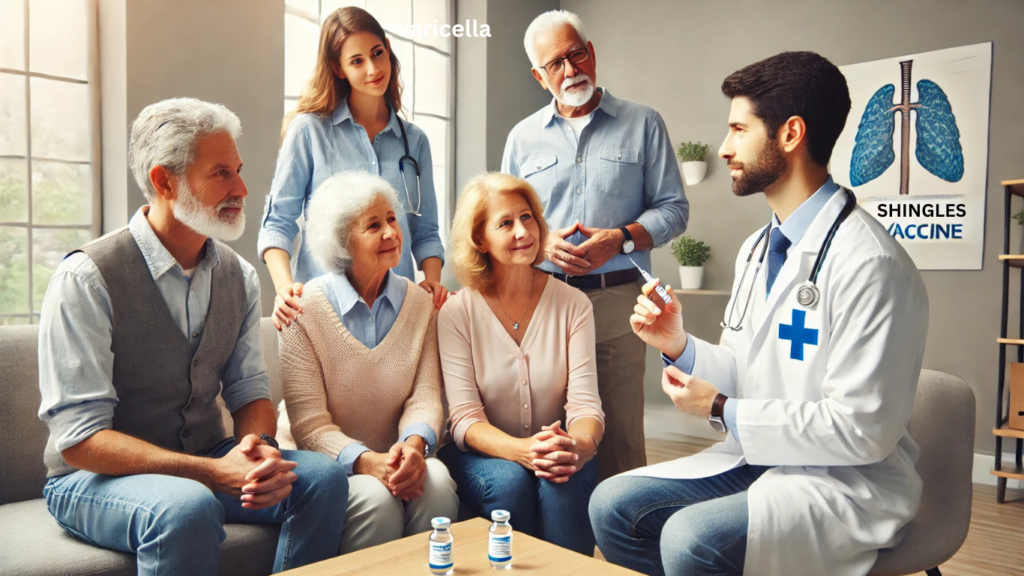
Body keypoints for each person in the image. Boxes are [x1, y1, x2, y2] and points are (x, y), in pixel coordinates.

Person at [589, 52, 930, 576]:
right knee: (611, 505)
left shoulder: (872, 265)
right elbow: (751, 371)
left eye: (738, 130)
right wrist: (679, 344)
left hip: (845, 482)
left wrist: (723, 408)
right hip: (765, 458)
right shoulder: (759, 249)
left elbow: (862, 430)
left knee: (690, 540)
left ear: (790, 134)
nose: (724, 148)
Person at [37, 98, 349, 575]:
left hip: (206, 454)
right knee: (187, 507)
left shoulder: (239, 277)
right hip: (90, 478)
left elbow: (249, 393)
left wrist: (259, 448)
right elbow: (79, 440)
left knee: (322, 478)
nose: (242, 188)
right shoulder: (87, 277)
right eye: (221, 173)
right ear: (164, 181)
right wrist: (211, 472)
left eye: (238, 170)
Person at [501, 10, 689, 479]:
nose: (570, 71)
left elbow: (674, 210)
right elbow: (502, 220)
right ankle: (562, 545)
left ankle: (626, 546)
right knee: (548, 431)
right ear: (538, 77)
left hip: (620, 300)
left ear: (592, 54)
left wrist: (621, 238)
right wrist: (541, 247)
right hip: (543, 301)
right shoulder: (521, 139)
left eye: (576, 54)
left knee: (622, 438)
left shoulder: (644, 123)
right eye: (555, 64)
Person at [276, 171, 458, 553]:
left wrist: (413, 447)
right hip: (329, 464)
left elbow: (425, 396)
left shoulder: (420, 303)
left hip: (400, 451)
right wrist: (367, 461)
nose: (391, 232)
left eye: (392, 219)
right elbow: (309, 424)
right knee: (377, 500)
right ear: (342, 241)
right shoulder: (302, 310)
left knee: (436, 482)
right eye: (374, 225)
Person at [437, 172, 605, 556]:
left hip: (558, 447)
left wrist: (577, 446)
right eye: (505, 223)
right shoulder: (455, 313)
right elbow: (464, 418)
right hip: (479, 455)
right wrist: (522, 450)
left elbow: (585, 406)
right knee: (510, 481)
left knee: (562, 478)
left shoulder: (574, 305)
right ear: (480, 239)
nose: (522, 232)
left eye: (527, 217)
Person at [260, 5, 448, 331]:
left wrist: (431, 282)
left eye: (377, 53)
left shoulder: (414, 141)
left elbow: (425, 229)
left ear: (388, 49)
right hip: (323, 312)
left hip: (398, 312)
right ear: (338, 68)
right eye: (357, 61)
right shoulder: (308, 131)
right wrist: (284, 287)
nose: (373, 68)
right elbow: (278, 221)